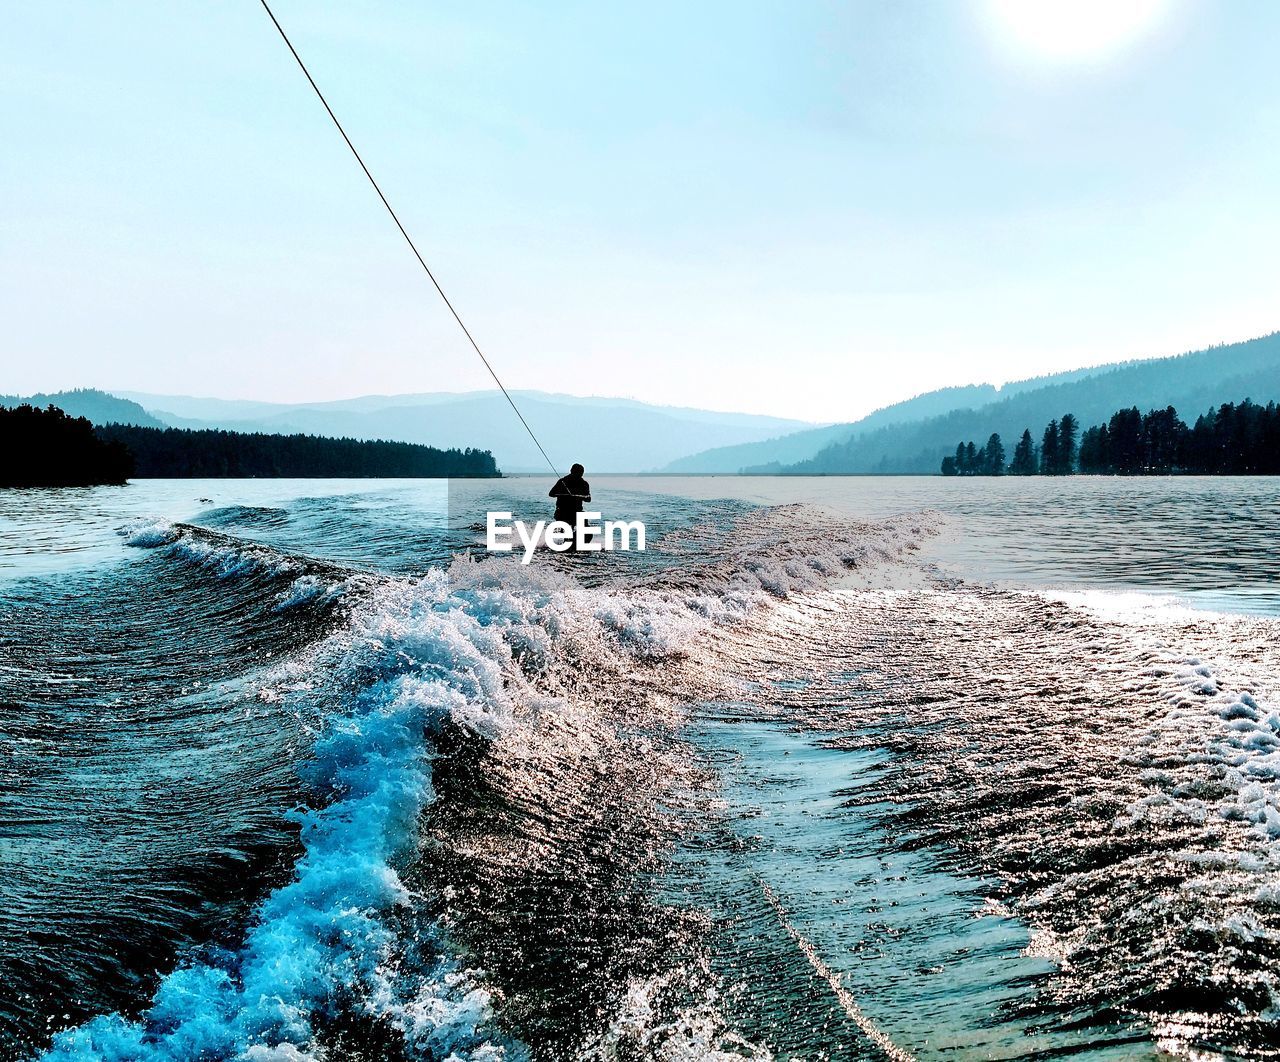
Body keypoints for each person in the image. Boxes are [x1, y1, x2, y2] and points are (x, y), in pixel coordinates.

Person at [549, 463, 590, 528]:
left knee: (585, 527)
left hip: (577, 512)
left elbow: (588, 499)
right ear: (572, 472)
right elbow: (551, 494)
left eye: (581, 473)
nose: (581, 475)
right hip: (562, 511)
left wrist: (577, 496)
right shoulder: (562, 481)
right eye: (578, 473)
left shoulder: (584, 484)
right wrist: (565, 495)